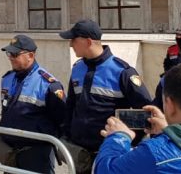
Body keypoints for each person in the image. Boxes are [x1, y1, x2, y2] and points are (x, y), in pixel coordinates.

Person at [61, 19, 152, 174]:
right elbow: (70, 106)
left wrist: (128, 142)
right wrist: (66, 136)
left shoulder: (122, 71)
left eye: (74, 40)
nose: (70, 44)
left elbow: (145, 113)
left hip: (108, 157)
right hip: (79, 155)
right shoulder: (77, 69)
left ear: (88, 42)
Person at [0, 35, 65, 174]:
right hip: (9, 151)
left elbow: (62, 119)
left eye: (15, 54)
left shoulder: (48, 84)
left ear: (30, 55)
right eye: (9, 53)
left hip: (36, 153)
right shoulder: (7, 79)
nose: (10, 57)